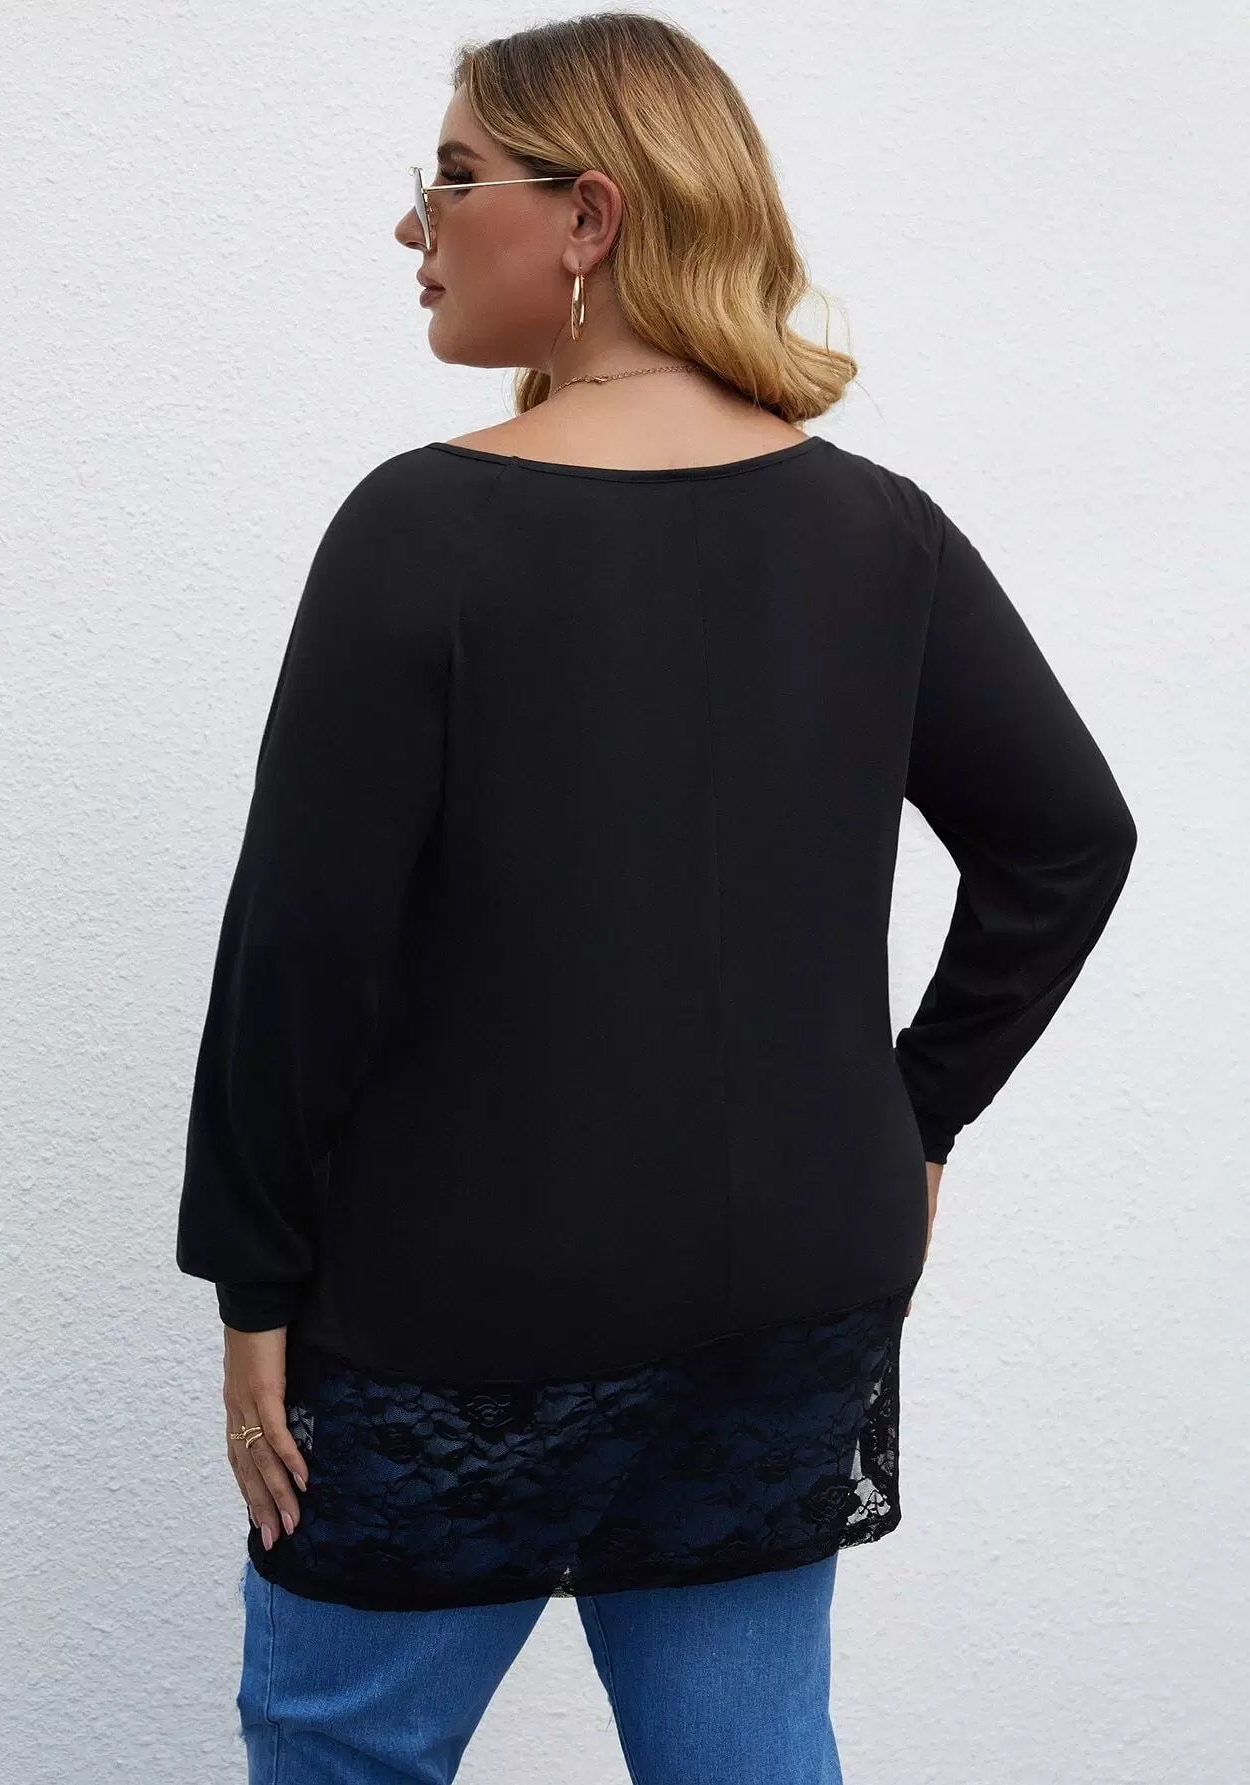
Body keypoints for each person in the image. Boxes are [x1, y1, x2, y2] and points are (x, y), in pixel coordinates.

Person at [175, 14, 1139, 1783]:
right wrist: (912, 1116)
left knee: (339, 1747)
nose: (414, 224)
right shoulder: (879, 533)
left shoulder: (421, 530)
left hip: (461, 1305)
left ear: (590, 216)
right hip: (787, 1285)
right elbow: (1070, 840)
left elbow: (302, 956)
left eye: (453, 178)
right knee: (747, 1756)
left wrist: (250, 1286)